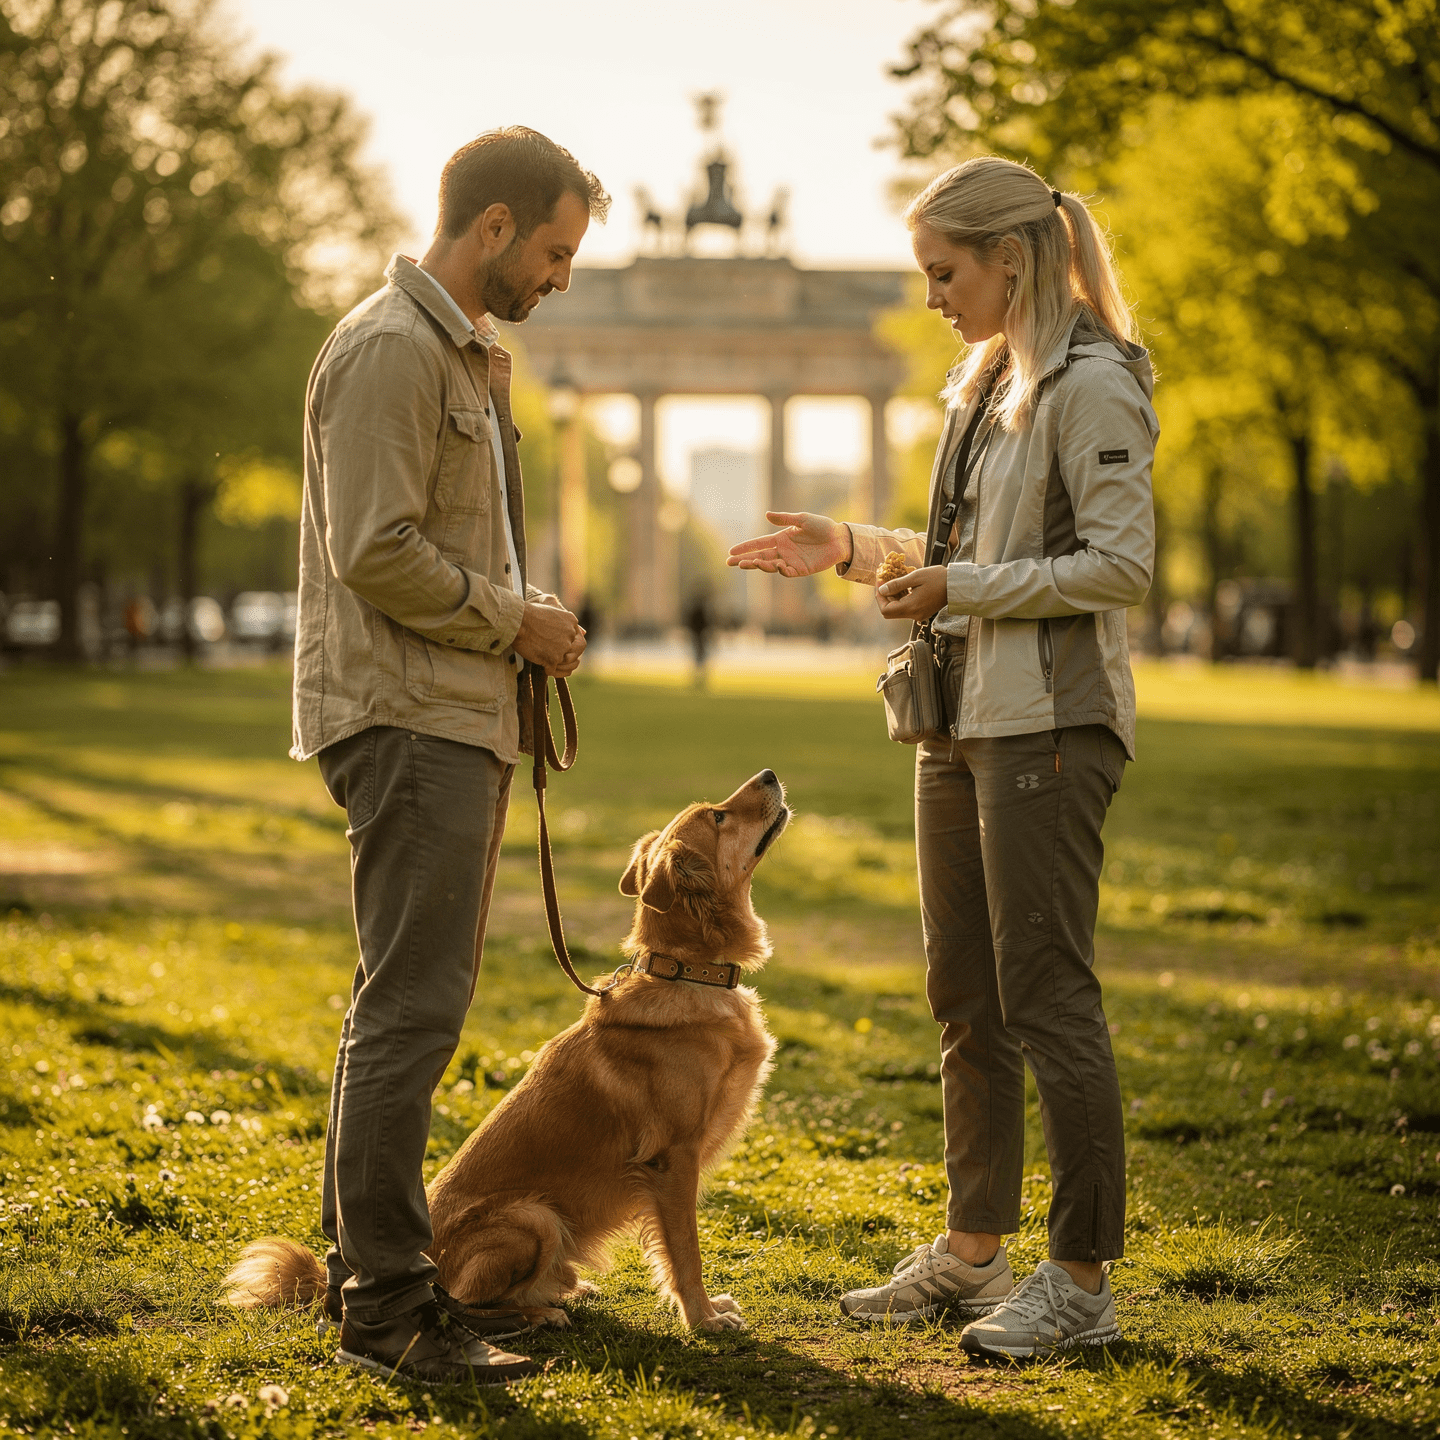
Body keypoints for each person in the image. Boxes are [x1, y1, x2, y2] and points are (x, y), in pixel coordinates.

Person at [728, 156, 1157, 1359]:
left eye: (942, 271)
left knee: (1048, 996)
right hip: (955, 724)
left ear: (1008, 260)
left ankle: (1080, 1281)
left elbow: (1118, 566)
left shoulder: (1093, 383)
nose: (930, 296)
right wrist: (856, 547)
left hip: (1051, 728)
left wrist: (958, 582)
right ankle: (975, 1255)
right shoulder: (984, 382)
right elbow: (976, 551)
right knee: (966, 998)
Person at [290, 128, 608, 1384]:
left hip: (450, 714)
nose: (562, 275)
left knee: (403, 1005)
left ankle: (367, 1269)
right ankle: (385, 1305)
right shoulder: (388, 350)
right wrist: (512, 616)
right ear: (490, 228)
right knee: (413, 1011)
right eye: (554, 249)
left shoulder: (465, 356)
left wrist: (520, 630)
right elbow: (375, 547)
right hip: (408, 717)